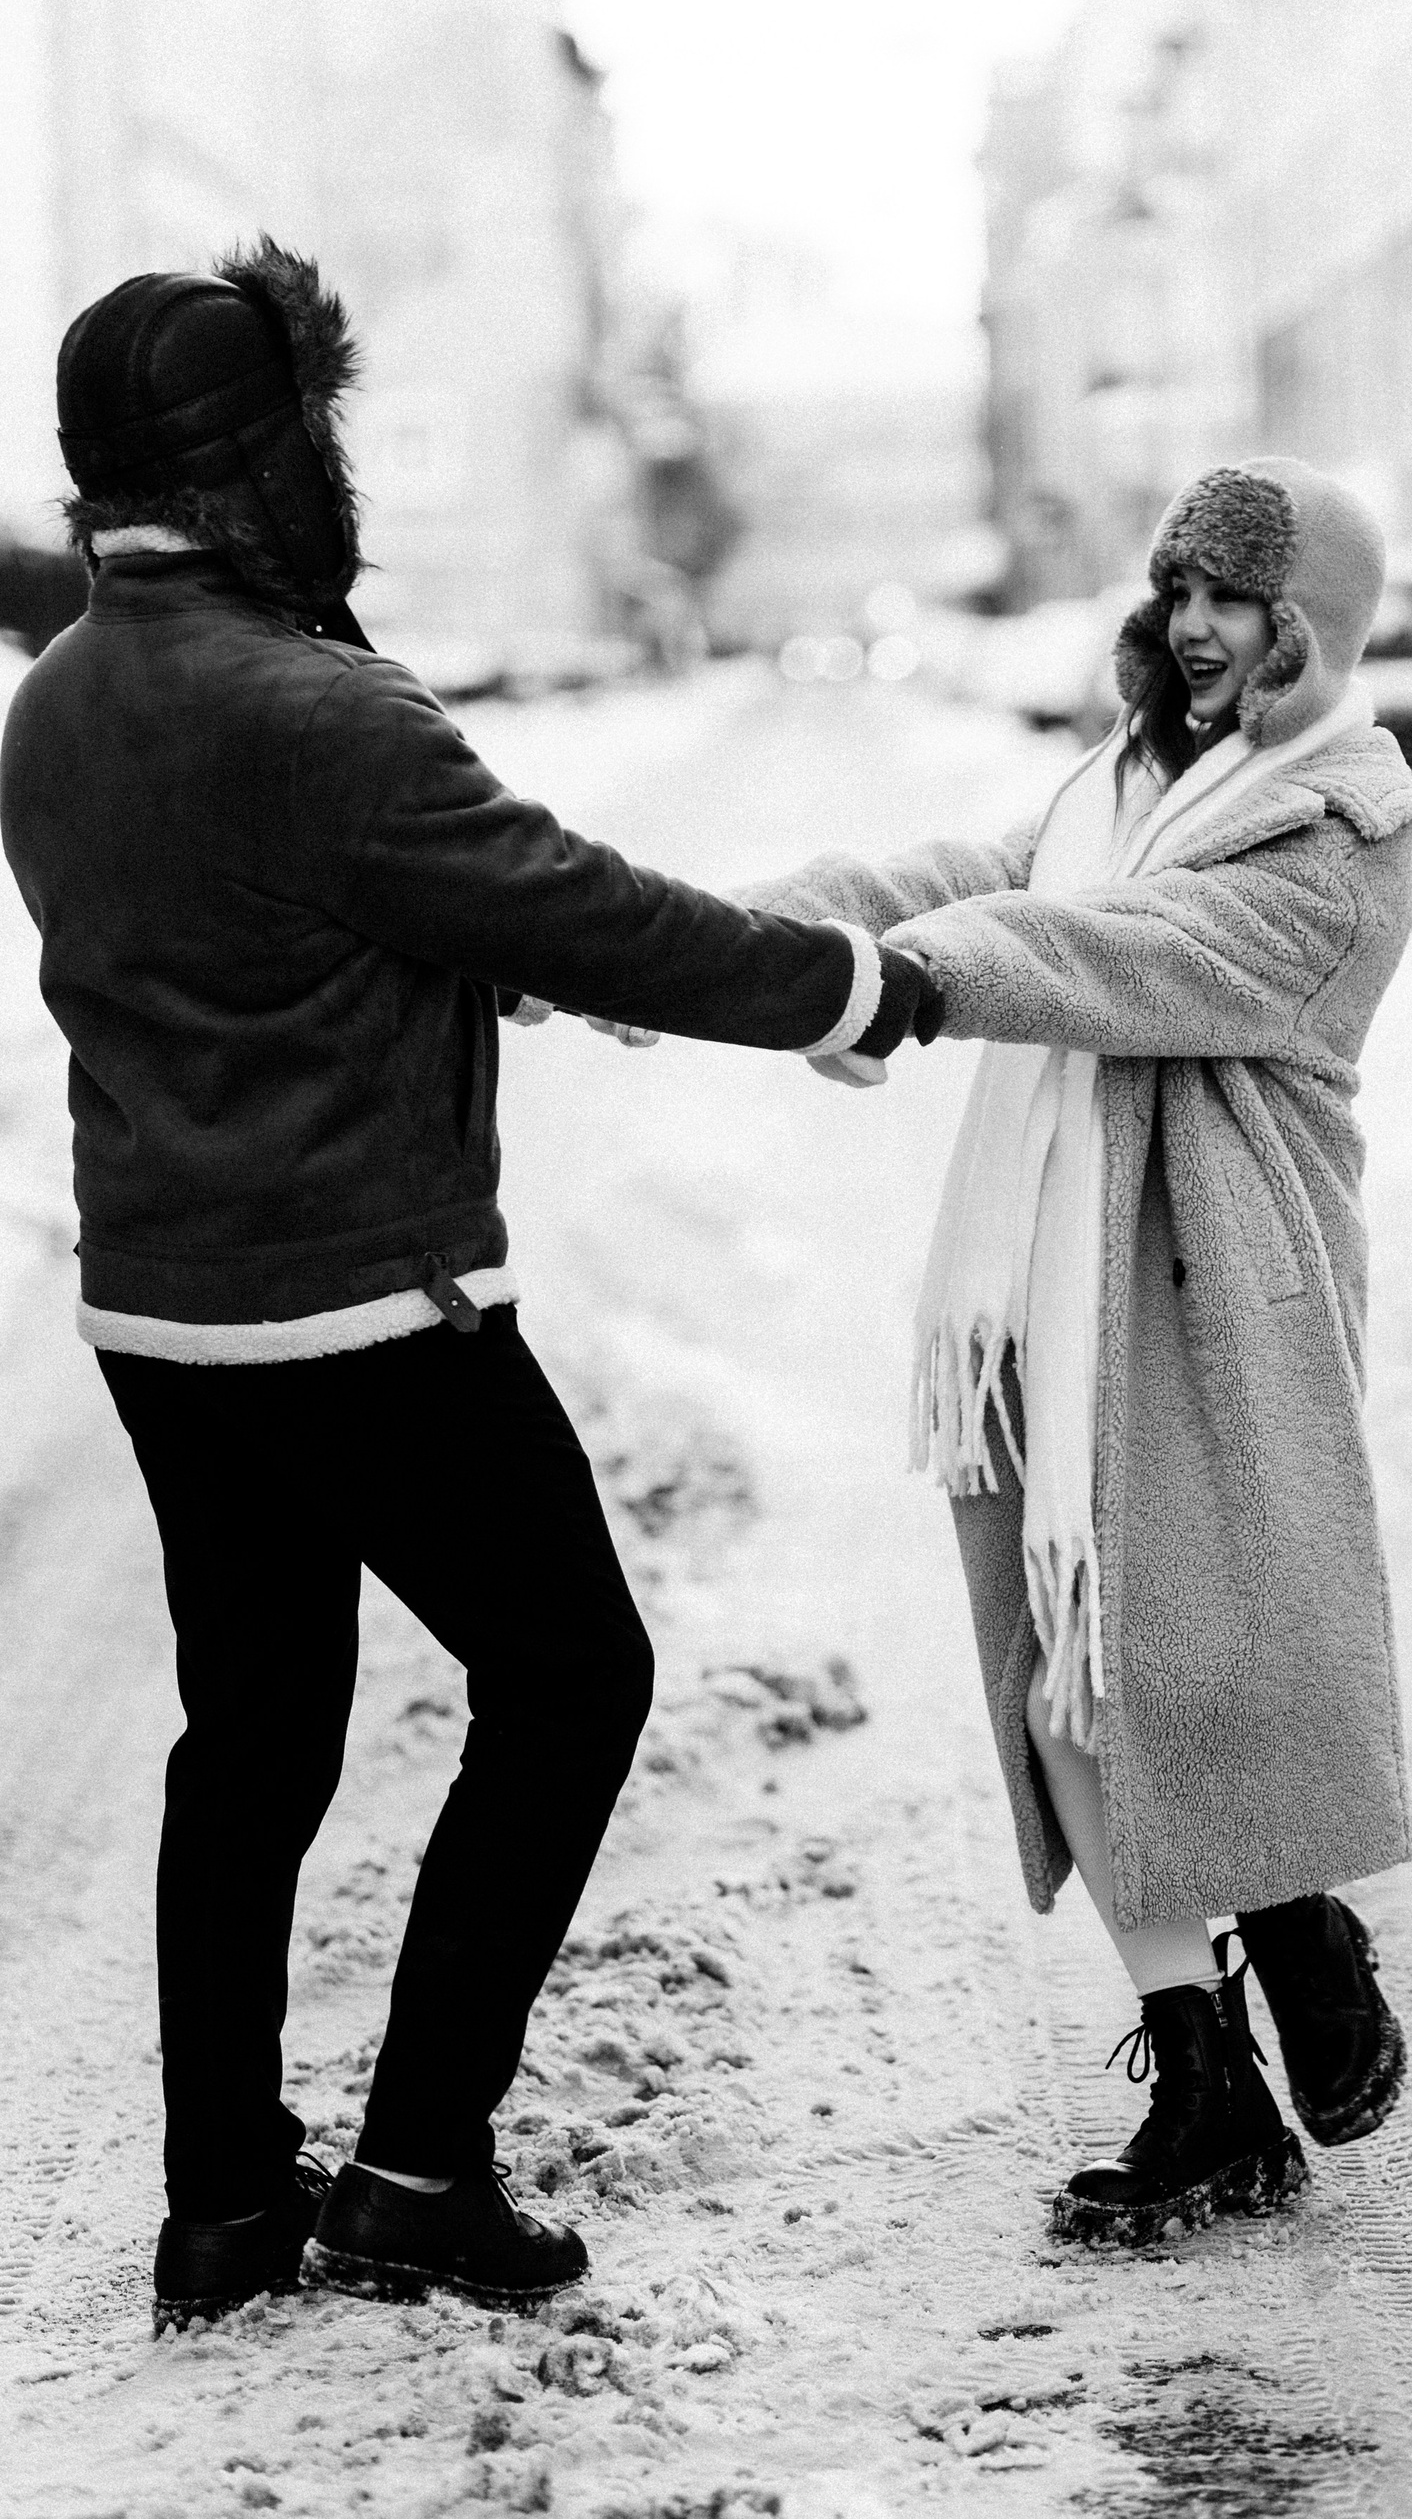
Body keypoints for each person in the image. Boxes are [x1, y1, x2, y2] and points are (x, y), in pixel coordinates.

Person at [0, 239, 940, 2331]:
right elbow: (588, 910)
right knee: (573, 1677)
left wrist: (434, 955)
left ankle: (223, 2203)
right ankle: (417, 2168)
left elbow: (251, 940)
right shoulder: (323, 709)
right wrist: (854, 984)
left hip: (162, 1314)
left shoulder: (56, 698)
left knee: (250, 1738)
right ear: (267, 460)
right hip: (364, 1314)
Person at [753, 458, 1412, 2245]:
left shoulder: (1339, 843)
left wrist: (904, 980)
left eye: (1236, 599)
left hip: (1213, 1305)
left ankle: (1294, 1916)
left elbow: (1110, 951)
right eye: (1180, 588)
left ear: (1308, 628)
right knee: (1063, 1676)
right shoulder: (1124, 780)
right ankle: (1204, 2075)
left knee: (1197, 1673)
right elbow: (984, 872)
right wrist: (743, 934)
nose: (1193, 625)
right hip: (1048, 1285)